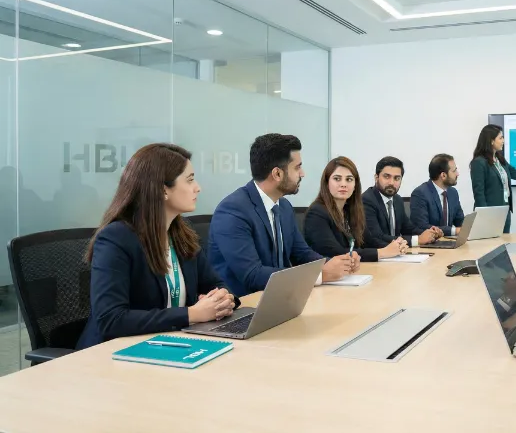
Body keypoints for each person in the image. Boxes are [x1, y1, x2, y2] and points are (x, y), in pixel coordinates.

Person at [77, 144, 238, 349]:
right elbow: (111, 319)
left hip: (171, 344)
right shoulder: (116, 239)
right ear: (163, 190)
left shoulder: (182, 233)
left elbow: (216, 285)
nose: (198, 187)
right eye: (189, 180)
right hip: (115, 353)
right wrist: (192, 314)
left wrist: (223, 299)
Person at [208, 134, 357, 296]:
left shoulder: (284, 206)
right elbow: (252, 275)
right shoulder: (233, 211)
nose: (303, 173)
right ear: (277, 174)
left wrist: (339, 264)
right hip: (245, 307)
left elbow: (302, 254)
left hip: (281, 299)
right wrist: (320, 275)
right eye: (297, 167)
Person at [304, 157, 405, 262]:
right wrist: (382, 252)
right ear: (326, 182)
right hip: (326, 275)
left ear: (355, 185)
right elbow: (335, 252)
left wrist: (395, 247)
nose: (343, 184)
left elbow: (368, 241)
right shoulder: (317, 213)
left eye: (349, 179)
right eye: (337, 179)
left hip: (352, 273)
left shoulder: (350, 211)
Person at [362, 156, 440, 248]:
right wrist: (417, 240)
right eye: (387, 177)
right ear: (376, 177)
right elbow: (376, 237)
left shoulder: (397, 199)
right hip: (375, 258)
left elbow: (408, 229)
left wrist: (430, 233)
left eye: (397, 178)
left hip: (397, 255)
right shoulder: (366, 200)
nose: (391, 182)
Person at [410, 154, 465, 236]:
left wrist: (470, 228)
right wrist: (454, 231)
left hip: (449, 243)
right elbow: (421, 226)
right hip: (429, 245)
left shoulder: (453, 192)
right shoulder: (420, 193)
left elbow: (460, 221)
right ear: (443, 175)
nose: (457, 174)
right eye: (454, 171)